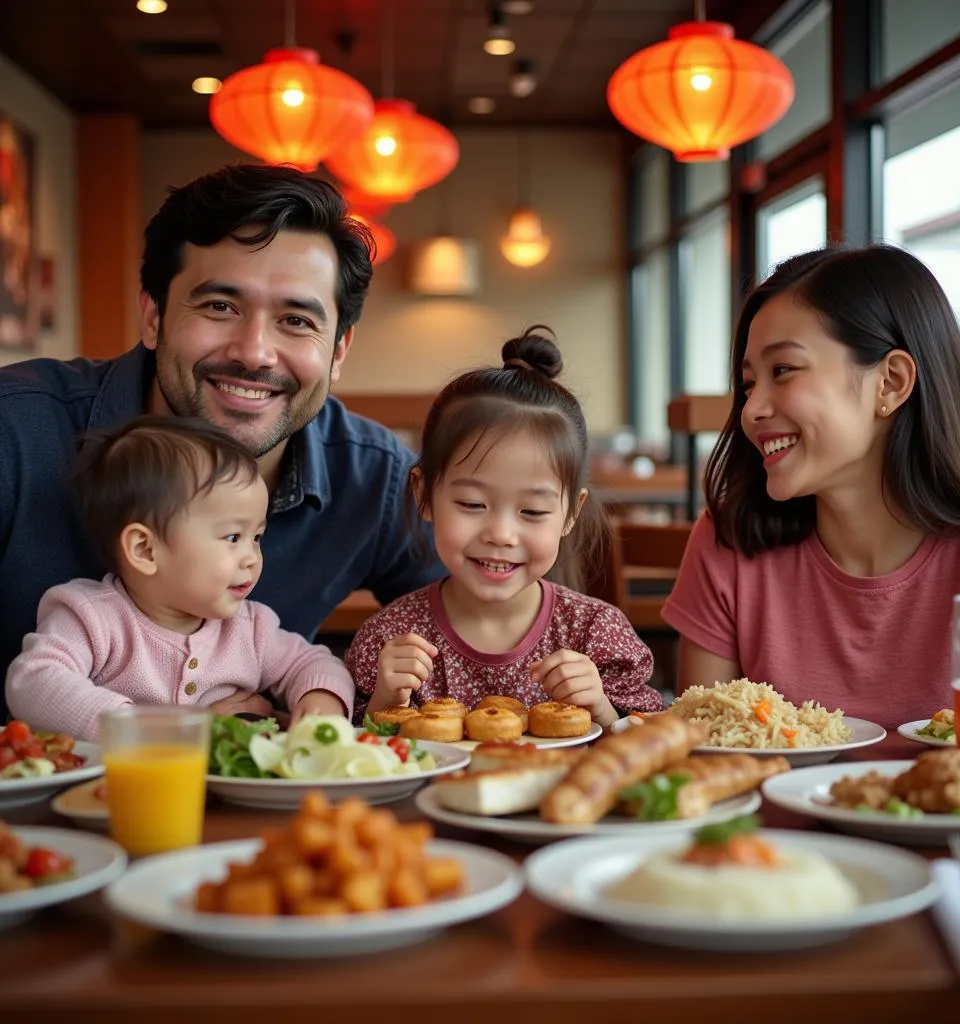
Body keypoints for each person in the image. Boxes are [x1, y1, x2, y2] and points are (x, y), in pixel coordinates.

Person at [0, 164, 442, 719]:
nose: (254, 351)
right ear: (154, 316)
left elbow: (492, 616)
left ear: (339, 350)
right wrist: (183, 731)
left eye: (297, 321)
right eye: (219, 307)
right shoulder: (15, 431)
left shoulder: (372, 477)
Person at [662, 244, 960, 728]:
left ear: (890, 383)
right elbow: (704, 755)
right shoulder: (729, 541)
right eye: (749, 384)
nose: (751, 410)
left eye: (783, 371)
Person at [344, 327, 664, 728]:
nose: (500, 533)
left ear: (571, 512)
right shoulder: (390, 638)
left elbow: (651, 741)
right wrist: (382, 703)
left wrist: (599, 707)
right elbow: (356, 757)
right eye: (472, 504)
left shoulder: (596, 634)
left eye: (531, 511)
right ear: (424, 494)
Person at [6, 416, 355, 741]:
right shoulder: (91, 616)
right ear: (145, 550)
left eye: (257, 538)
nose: (252, 558)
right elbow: (34, 681)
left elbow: (314, 662)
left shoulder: (249, 628)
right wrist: (167, 731)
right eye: (233, 537)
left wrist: (322, 699)